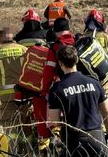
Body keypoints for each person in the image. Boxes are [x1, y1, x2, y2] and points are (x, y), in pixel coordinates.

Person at [48, 45, 108, 157]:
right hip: (97, 137)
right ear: (77, 60)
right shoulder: (94, 82)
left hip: (73, 140)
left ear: (60, 63)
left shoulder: (57, 89)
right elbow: (106, 112)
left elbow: (54, 121)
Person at [33, 18, 75, 152]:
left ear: (55, 31)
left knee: (43, 108)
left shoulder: (55, 48)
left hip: (61, 88)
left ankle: (48, 147)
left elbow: (48, 73)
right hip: (81, 86)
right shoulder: (78, 41)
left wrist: (44, 91)